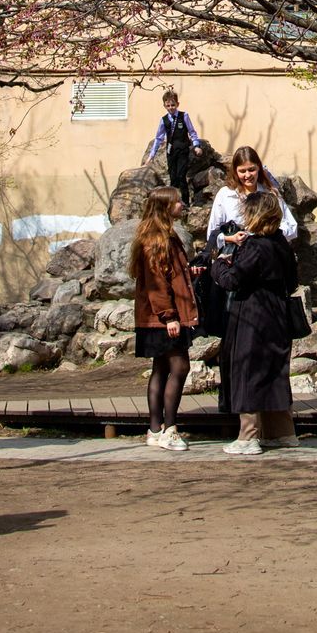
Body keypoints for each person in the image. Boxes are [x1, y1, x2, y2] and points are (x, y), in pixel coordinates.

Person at [210, 189, 300, 455]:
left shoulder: (256, 247)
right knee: (273, 370)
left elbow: (232, 279)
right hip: (278, 313)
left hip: (252, 314)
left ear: (255, 215)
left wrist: (219, 264)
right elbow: (293, 280)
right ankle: (282, 432)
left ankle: (248, 436)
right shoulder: (282, 243)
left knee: (247, 369)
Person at [130, 186, 199, 451]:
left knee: (161, 368)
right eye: (177, 201)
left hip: (159, 317)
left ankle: (155, 428)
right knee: (180, 367)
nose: (182, 205)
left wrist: (189, 273)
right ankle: (169, 428)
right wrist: (169, 316)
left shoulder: (165, 237)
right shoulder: (155, 240)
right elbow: (156, 283)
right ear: (164, 207)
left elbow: (169, 275)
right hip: (162, 319)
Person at [206, 145, 297, 244]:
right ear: (235, 172)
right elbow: (212, 234)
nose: (248, 175)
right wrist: (232, 238)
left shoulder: (269, 193)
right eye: (242, 171)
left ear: (258, 167)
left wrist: (269, 233)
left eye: (251, 169)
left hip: (265, 253)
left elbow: (291, 227)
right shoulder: (225, 195)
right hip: (236, 256)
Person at [143, 88, 205, 204]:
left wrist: (197, 145)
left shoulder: (184, 116)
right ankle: (172, 202)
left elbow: (192, 132)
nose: (171, 107)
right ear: (164, 106)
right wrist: (151, 156)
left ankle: (185, 202)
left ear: (177, 104)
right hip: (171, 151)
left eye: (173, 105)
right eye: (168, 105)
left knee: (181, 176)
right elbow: (158, 138)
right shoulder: (164, 120)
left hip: (183, 150)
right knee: (173, 178)